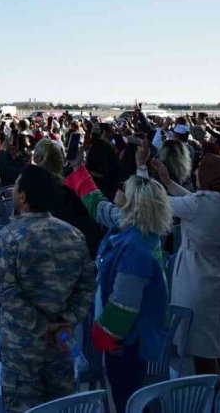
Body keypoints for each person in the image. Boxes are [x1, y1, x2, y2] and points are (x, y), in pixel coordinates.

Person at [148, 153, 220, 391]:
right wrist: (169, 183)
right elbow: (194, 201)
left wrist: (143, 171)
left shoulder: (199, 204)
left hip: (197, 279)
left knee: (202, 349)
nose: (196, 173)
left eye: (201, 169)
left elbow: (156, 204)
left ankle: (209, 399)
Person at [0, 166, 96, 413]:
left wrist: (41, 326)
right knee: (60, 406)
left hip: (23, 346)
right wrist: (66, 321)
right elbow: (87, 287)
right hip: (61, 340)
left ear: (23, 197)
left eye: (17, 187)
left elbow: (6, 291)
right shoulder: (73, 235)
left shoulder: (10, 236)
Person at [86, 165, 173, 413]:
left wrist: (106, 332)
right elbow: (101, 209)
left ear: (133, 202)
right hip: (134, 335)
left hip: (127, 340)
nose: (119, 188)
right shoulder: (137, 232)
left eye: (124, 187)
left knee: (129, 399)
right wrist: (79, 173)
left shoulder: (135, 247)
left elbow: (125, 301)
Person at [32, 138, 105, 259]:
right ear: (62, 160)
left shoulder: (31, 191)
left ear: (36, 159)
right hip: (80, 255)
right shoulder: (72, 189)